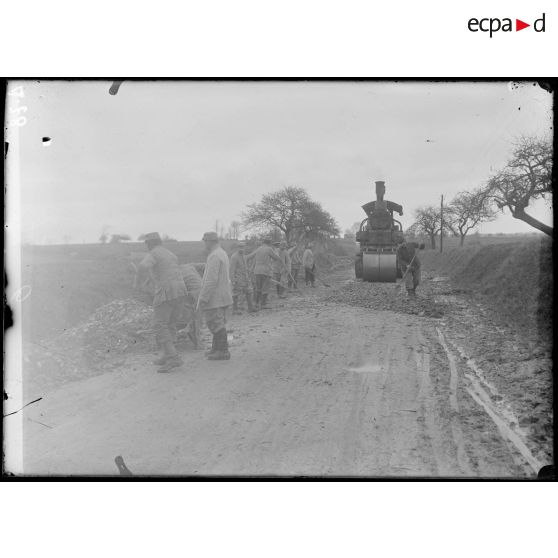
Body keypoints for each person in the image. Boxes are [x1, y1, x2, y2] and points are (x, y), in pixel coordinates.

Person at [138, 232, 187, 372]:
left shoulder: (153, 253)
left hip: (166, 292)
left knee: (159, 324)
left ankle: (173, 357)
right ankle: (168, 354)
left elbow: (143, 267)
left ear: (149, 243)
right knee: (171, 323)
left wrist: (138, 282)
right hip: (180, 291)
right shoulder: (170, 254)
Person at [197, 231, 234, 360]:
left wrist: (203, 297)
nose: (204, 244)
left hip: (215, 297)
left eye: (205, 241)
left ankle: (223, 351)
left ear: (210, 241)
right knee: (218, 322)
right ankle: (216, 349)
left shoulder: (214, 256)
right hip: (223, 295)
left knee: (215, 323)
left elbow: (211, 280)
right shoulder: (222, 253)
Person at [245, 238, 282, 309]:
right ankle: (263, 304)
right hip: (266, 271)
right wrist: (276, 251)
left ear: (263, 242)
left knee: (258, 288)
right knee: (265, 287)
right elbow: (277, 258)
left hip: (257, 271)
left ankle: (256, 303)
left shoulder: (259, 248)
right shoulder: (269, 249)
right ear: (269, 243)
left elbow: (249, 256)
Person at [179, 263, 204, 349]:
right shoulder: (190, 266)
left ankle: (190, 330)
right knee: (197, 317)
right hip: (200, 290)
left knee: (194, 316)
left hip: (191, 292)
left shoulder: (176, 271)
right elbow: (204, 265)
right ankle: (196, 340)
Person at [229, 242, 256, 314]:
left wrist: (248, 272)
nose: (241, 248)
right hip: (238, 278)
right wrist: (233, 280)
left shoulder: (243, 256)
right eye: (240, 247)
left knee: (249, 292)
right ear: (237, 248)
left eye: (243, 247)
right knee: (236, 294)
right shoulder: (234, 257)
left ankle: (250, 308)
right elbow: (231, 270)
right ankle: (235, 310)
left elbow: (245, 266)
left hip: (245, 278)